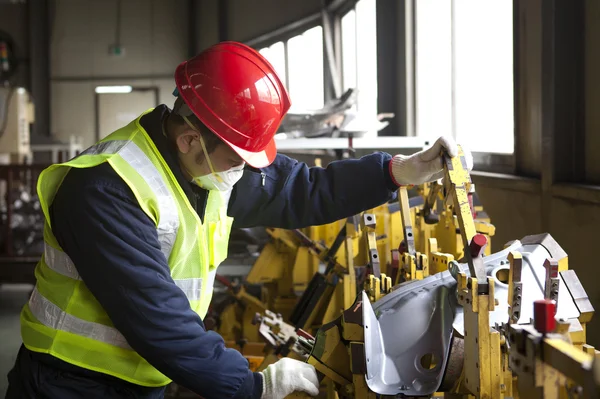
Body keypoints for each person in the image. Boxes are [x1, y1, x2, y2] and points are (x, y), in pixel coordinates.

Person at [5, 41, 471, 399]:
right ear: (189, 138)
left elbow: (304, 189)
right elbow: (159, 321)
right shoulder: (105, 191)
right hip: (69, 382)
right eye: (239, 155)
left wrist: (399, 171)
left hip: (142, 376)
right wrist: (254, 386)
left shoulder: (209, 166)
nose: (248, 169)